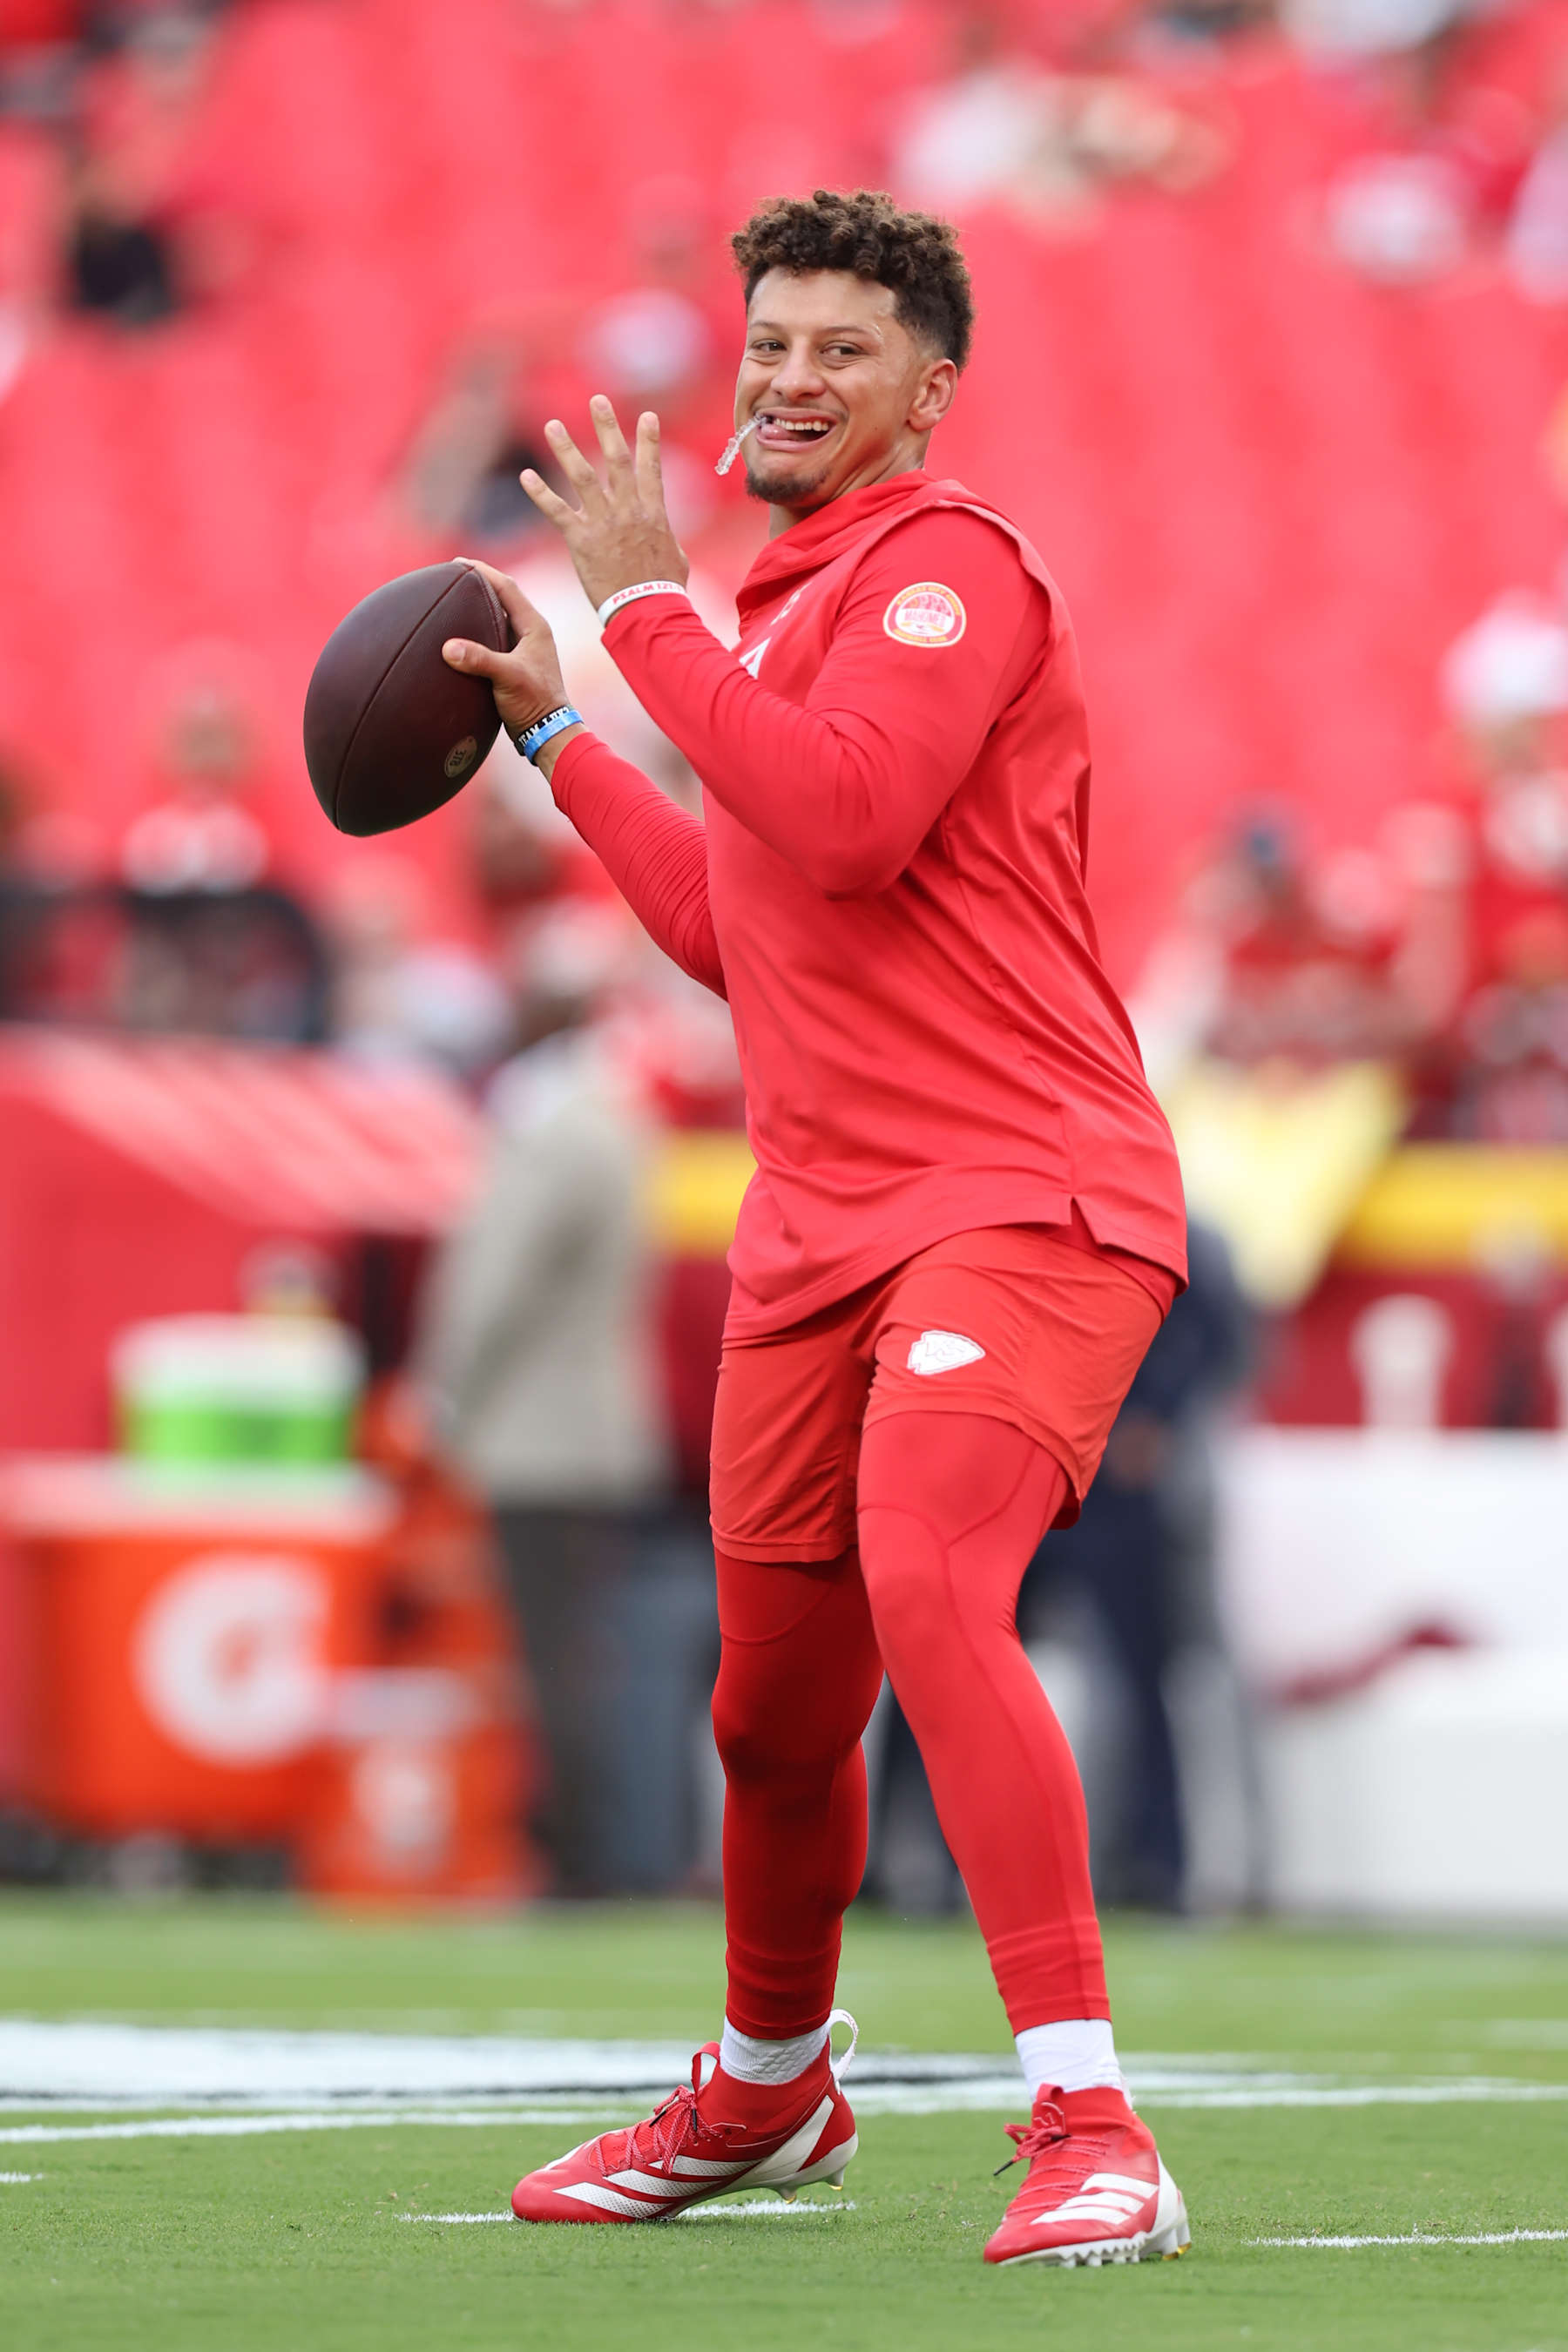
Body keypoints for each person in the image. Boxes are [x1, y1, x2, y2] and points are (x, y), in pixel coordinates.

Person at [442, 187, 1191, 2271]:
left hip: (1022, 1187)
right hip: (823, 1219)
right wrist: (559, 737)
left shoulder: (946, 564)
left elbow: (848, 817)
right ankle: (772, 2087)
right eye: (768, 341)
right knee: (768, 1721)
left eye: (840, 349)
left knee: (931, 1573)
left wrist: (642, 615)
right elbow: (740, 925)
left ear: (928, 392)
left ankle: (1091, 2120)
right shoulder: (780, 619)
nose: (788, 377)